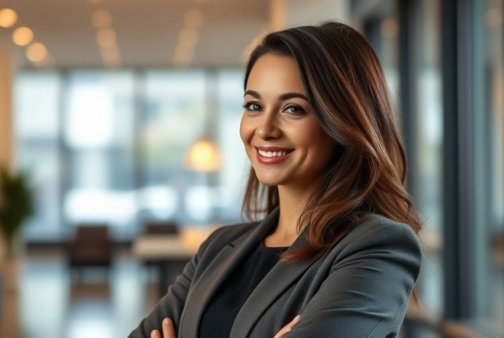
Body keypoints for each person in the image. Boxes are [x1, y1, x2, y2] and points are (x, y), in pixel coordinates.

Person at [129, 21, 422, 338]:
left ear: (344, 121)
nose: (265, 129)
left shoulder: (378, 247)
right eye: (254, 106)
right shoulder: (218, 248)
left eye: (293, 109)